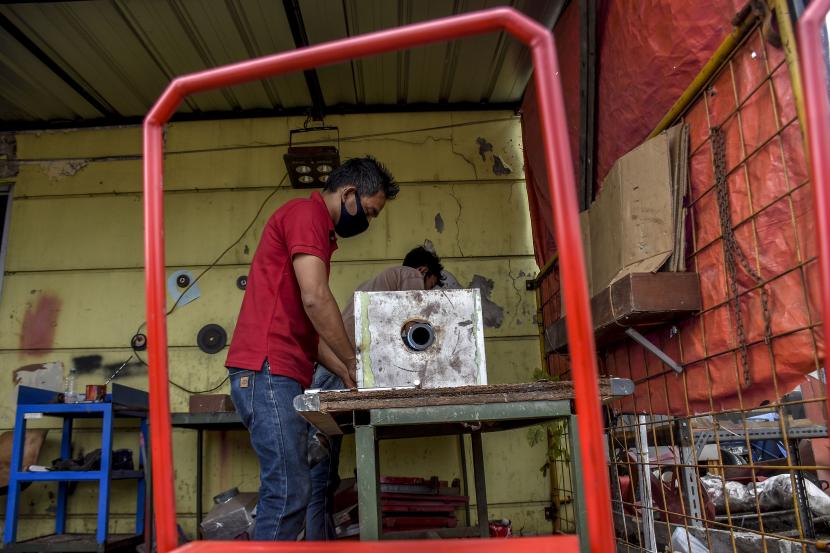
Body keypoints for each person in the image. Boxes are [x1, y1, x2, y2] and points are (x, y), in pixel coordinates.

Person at [225, 156, 398, 541]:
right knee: (288, 493)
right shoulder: (307, 215)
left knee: (293, 491)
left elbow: (312, 333)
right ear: (349, 193)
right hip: (267, 370)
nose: (367, 223)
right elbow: (317, 300)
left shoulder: (315, 228)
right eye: (368, 212)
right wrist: (354, 360)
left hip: (278, 371)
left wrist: (345, 372)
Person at [305, 246, 445, 540]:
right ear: (423, 272)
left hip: (330, 367)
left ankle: (323, 544)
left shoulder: (379, 283)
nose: (426, 294)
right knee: (319, 479)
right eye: (429, 286)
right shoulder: (408, 276)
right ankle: (318, 545)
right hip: (339, 368)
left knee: (324, 478)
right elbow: (414, 325)